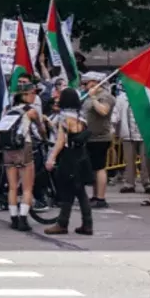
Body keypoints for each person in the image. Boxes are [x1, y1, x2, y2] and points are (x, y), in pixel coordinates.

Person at [43, 88, 94, 236]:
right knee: (80, 191)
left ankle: (62, 223)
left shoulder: (64, 118)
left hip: (69, 157)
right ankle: (87, 223)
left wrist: (51, 158)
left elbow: (60, 141)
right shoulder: (81, 117)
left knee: (66, 190)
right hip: (82, 155)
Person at [0, 82, 46, 232]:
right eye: (32, 93)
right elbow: (41, 129)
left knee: (12, 187)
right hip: (24, 148)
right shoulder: (31, 111)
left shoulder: (8, 110)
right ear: (24, 95)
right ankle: (23, 219)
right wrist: (44, 137)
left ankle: (13, 218)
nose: (34, 96)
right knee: (27, 187)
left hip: (8, 150)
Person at [80, 72, 115, 208]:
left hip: (100, 137)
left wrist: (93, 97)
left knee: (99, 167)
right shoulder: (87, 96)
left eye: (86, 83)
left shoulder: (105, 96)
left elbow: (103, 111)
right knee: (93, 168)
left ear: (95, 82)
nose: (84, 85)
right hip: (88, 137)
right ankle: (94, 195)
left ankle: (101, 198)